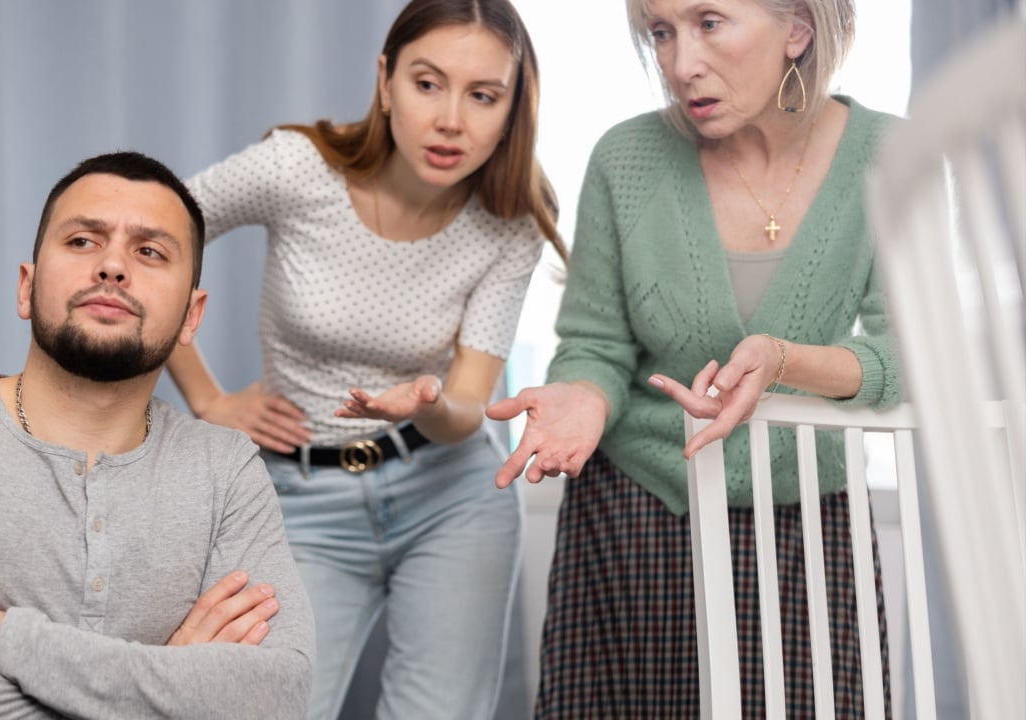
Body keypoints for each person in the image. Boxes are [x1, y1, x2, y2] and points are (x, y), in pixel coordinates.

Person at [487, 0, 900, 717]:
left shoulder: (890, 156)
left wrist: (782, 360)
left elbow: (911, 352)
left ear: (798, 27)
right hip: (635, 515)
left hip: (809, 525)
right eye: (661, 32)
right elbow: (595, 344)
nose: (680, 65)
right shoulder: (626, 158)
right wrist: (582, 394)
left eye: (709, 22)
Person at [164, 1, 564, 716]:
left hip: (451, 497)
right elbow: (152, 236)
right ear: (385, 82)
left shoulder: (511, 223)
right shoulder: (295, 168)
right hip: (303, 498)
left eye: (483, 96)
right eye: (427, 83)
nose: (451, 120)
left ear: (512, 107)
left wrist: (431, 404)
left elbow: (468, 404)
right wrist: (208, 399)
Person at [0, 151, 315, 719]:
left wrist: (4, 638)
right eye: (82, 241)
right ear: (26, 288)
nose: (112, 267)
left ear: (191, 318)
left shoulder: (226, 469)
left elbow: (277, 697)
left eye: (150, 252)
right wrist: (176, 681)